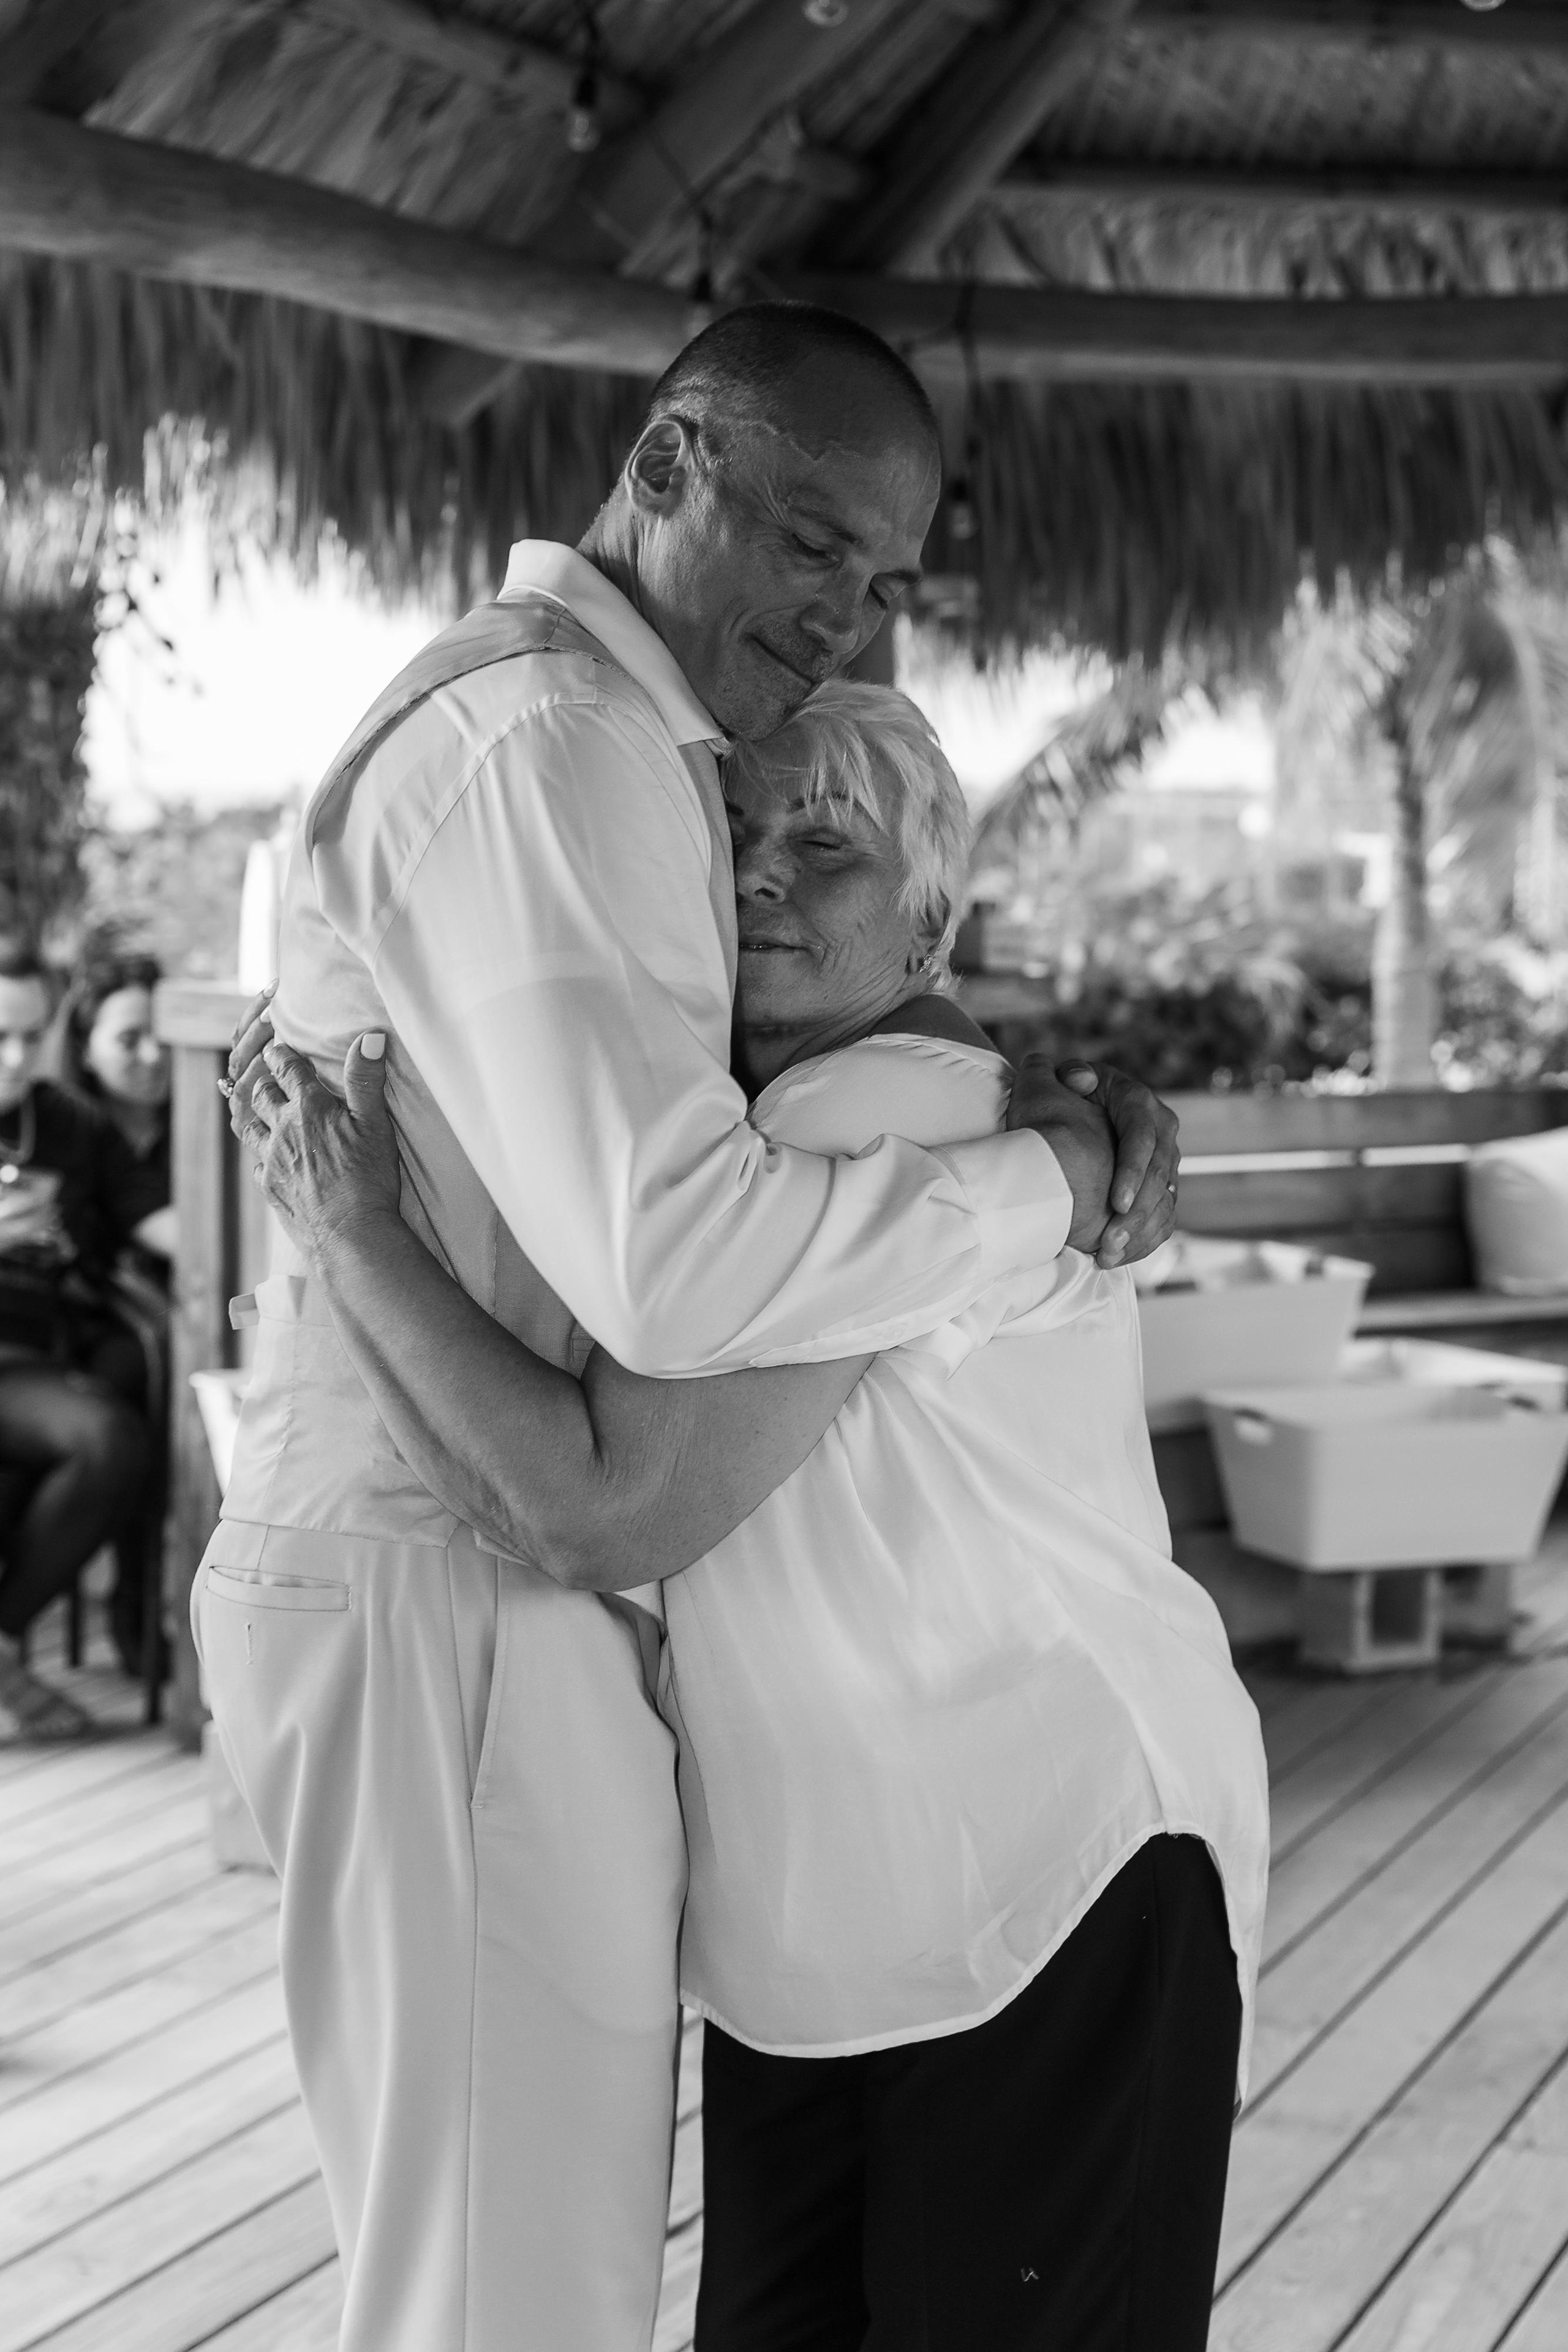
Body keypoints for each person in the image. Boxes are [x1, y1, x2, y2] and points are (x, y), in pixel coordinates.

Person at [209, 302, 1181, 2352]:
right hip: (465, 1569)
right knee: (504, 2298)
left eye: (885, 577)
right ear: (666, 469)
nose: (845, 612)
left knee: (507, 2280)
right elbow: (667, 1270)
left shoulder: (628, 769)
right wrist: (1056, 1193)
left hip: (555, 1618)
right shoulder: (553, 739)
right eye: (811, 539)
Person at [0, 945, 148, 1737]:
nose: (16, 1058)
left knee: (107, 1437)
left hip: (28, 1359)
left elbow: (154, 1218)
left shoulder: (68, 1126)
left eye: (30, 1036)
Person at [64, 950, 174, 1681]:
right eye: (128, 1040)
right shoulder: (69, 1126)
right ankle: (133, 1604)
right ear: (84, 1045)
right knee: (136, 1385)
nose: (153, 1056)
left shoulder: (203, 1110)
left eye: (161, 1035)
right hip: (87, 1329)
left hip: (177, 1321)